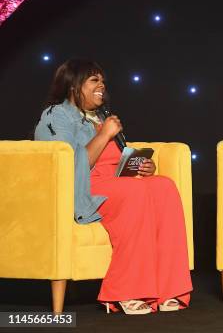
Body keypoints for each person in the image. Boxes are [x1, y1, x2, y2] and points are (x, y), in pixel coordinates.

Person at [34, 59, 192, 315]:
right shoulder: (55, 116)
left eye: (103, 81)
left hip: (114, 182)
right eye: (94, 80)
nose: (102, 86)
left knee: (164, 187)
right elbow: (65, 166)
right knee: (135, 192)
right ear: (73, 85)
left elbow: (115, 161)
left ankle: (168, 289)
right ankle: (125, 293)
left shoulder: (102, 116)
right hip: (82, 186)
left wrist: (141, 167)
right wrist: (103, 135)